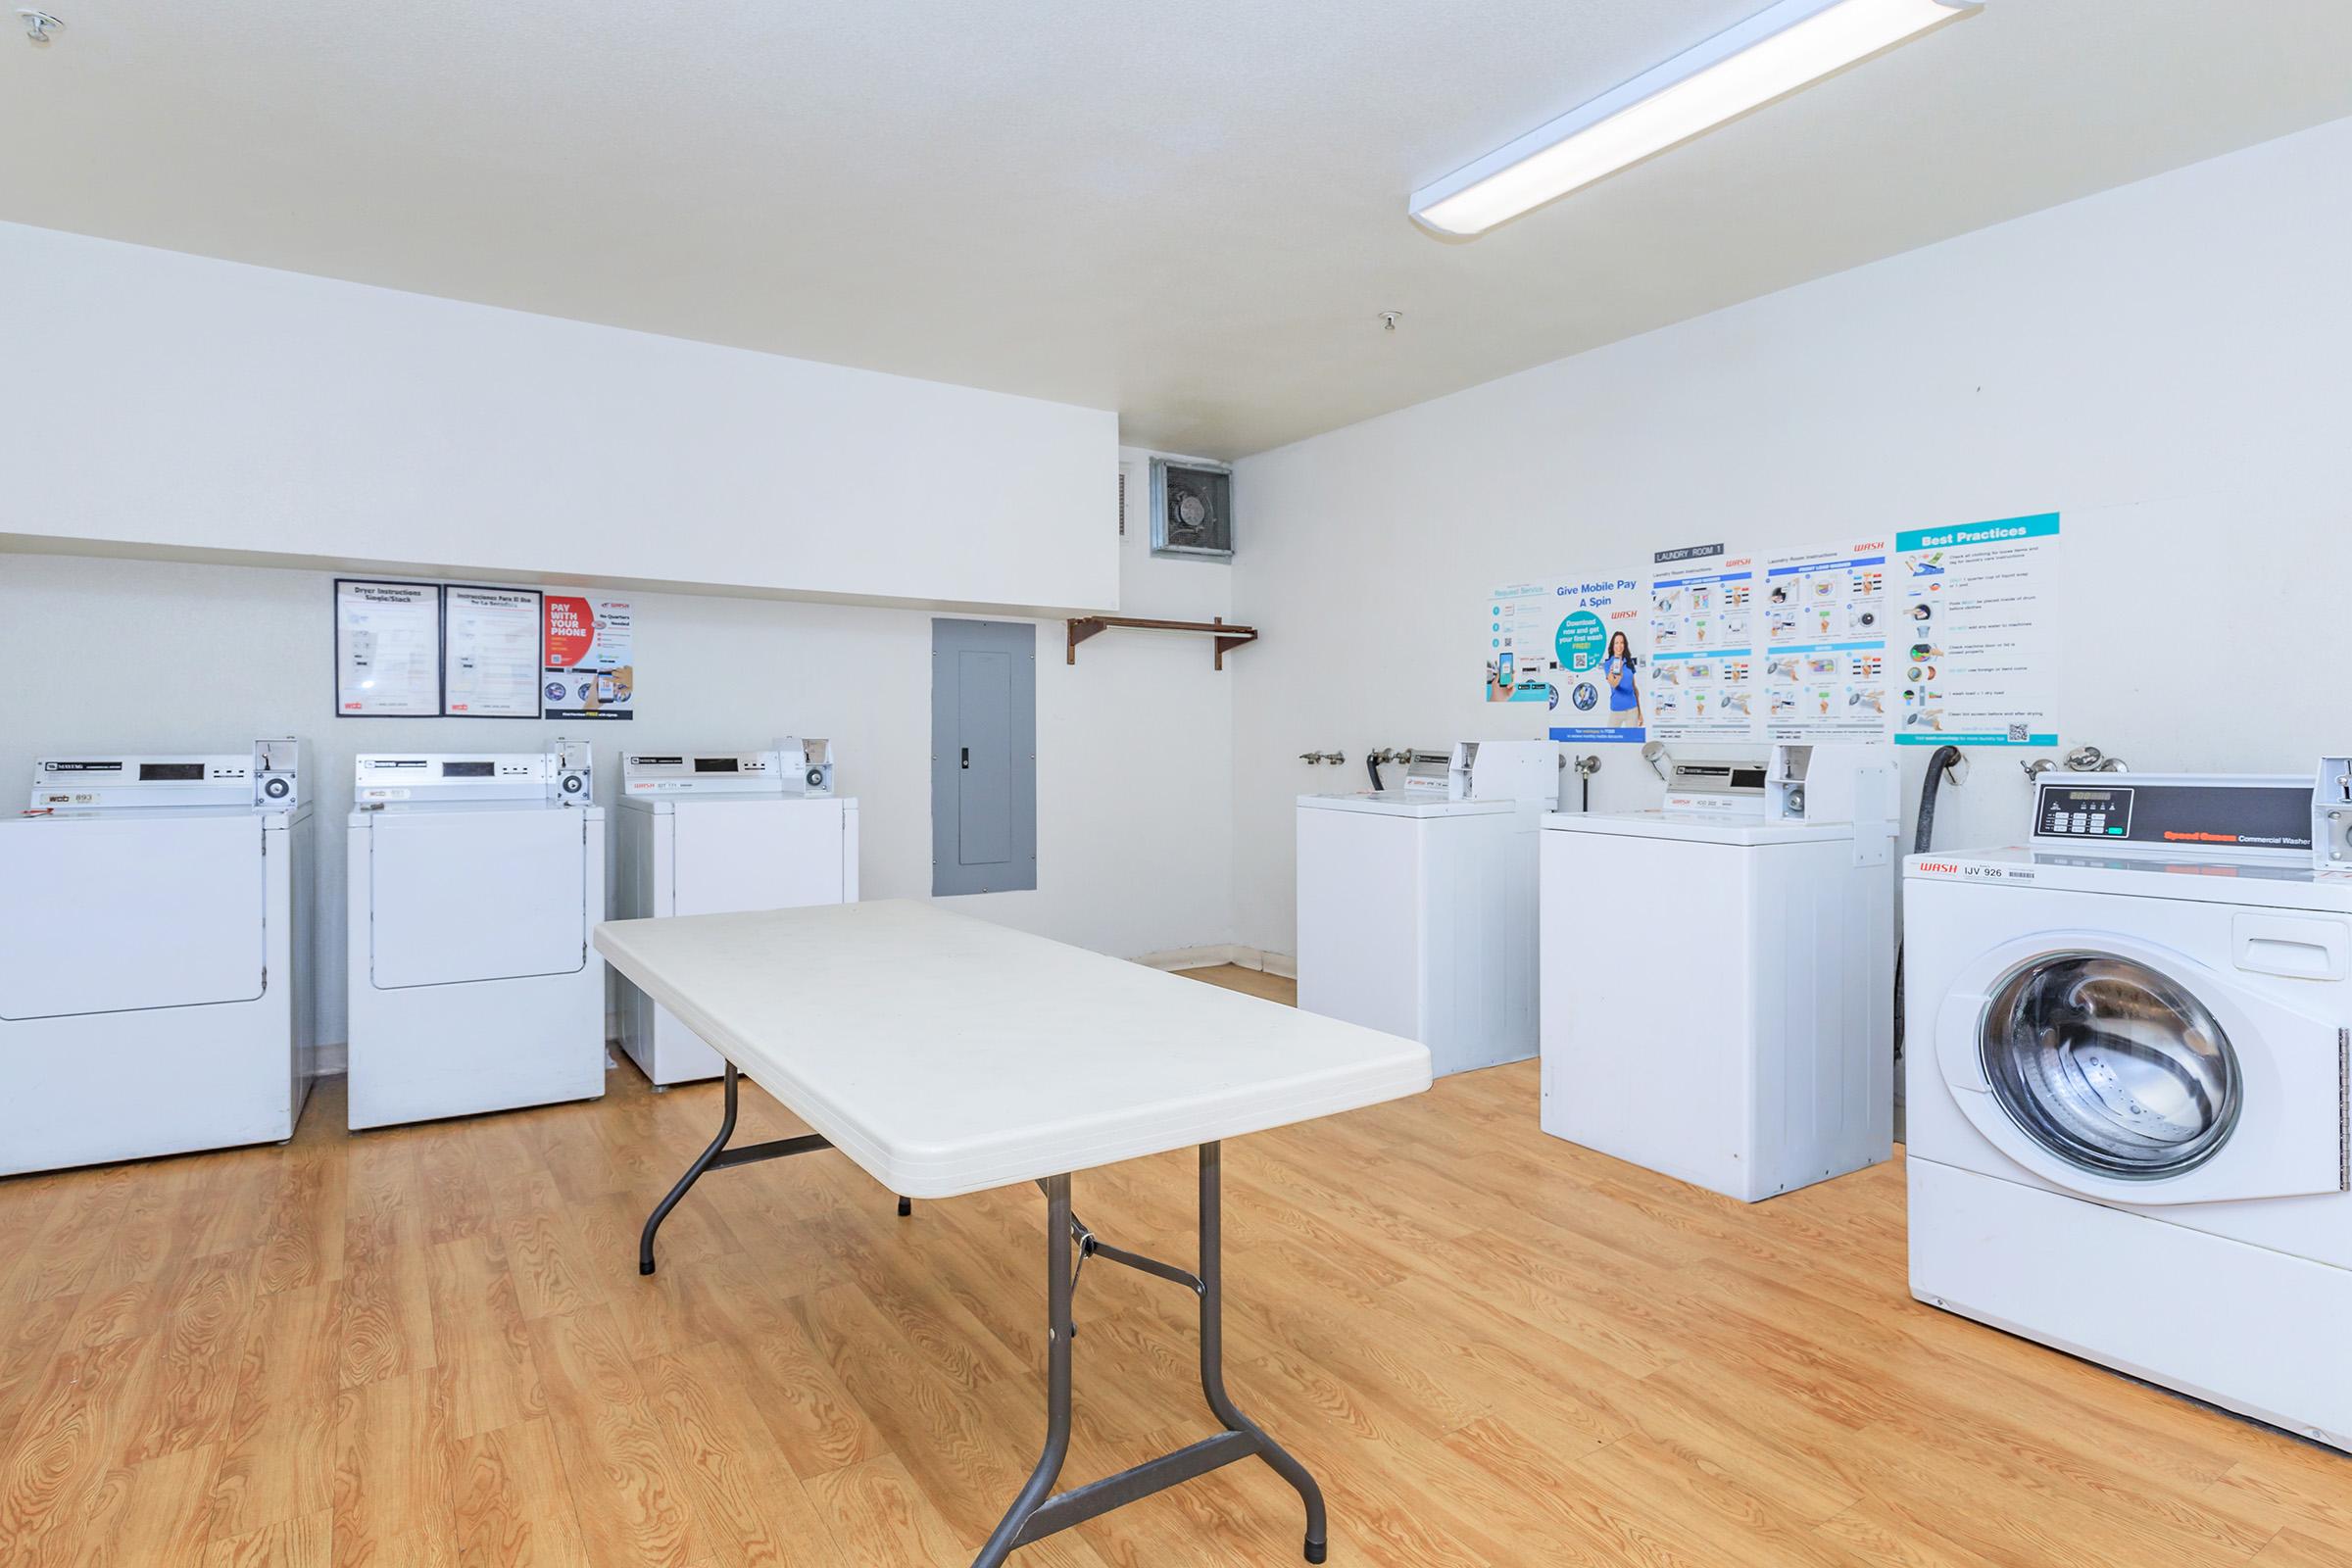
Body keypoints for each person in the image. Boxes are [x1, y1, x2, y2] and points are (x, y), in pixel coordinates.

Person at [1603, 631, 1642, 728]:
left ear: (1625, 645)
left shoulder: (1629, 663)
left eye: (1622, 643)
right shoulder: (1608, 664)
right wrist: (1618, 673)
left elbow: (1634, 688)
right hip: (1616, 709)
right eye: (1616, 643)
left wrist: (1640, 712)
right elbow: (1613, 684)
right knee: (1611, 741)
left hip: (1632, 710)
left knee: (1632, 742)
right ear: (1612, 646)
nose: (1619, 646)